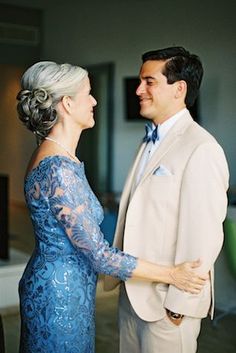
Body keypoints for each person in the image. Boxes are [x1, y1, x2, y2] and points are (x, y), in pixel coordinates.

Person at [16, 61, 207, 353]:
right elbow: (100, 256)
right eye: (88, 93)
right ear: (67, 103)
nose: (94, 101)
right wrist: (172, 274)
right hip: (59, 295)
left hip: (66, 287)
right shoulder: (58, 169)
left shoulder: (60, 158)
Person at [104, 46, 229, 353]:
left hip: (167, 306)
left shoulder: (202, 148)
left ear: (179, 89)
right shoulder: (148, 140)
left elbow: (204, 235)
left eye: (149, 81)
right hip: (132, 295)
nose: (138, 90)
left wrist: (178, 308)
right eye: (140, 80)